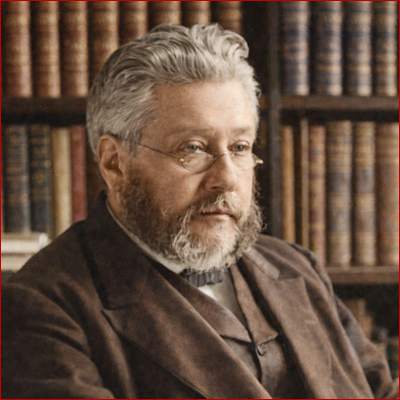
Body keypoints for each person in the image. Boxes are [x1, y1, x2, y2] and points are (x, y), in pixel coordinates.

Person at [2, 23, 398, 400]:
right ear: (114, 163)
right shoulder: (39, 309)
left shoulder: (296, 267)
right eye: (192, 148)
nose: (226, 179)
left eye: (240, 148)